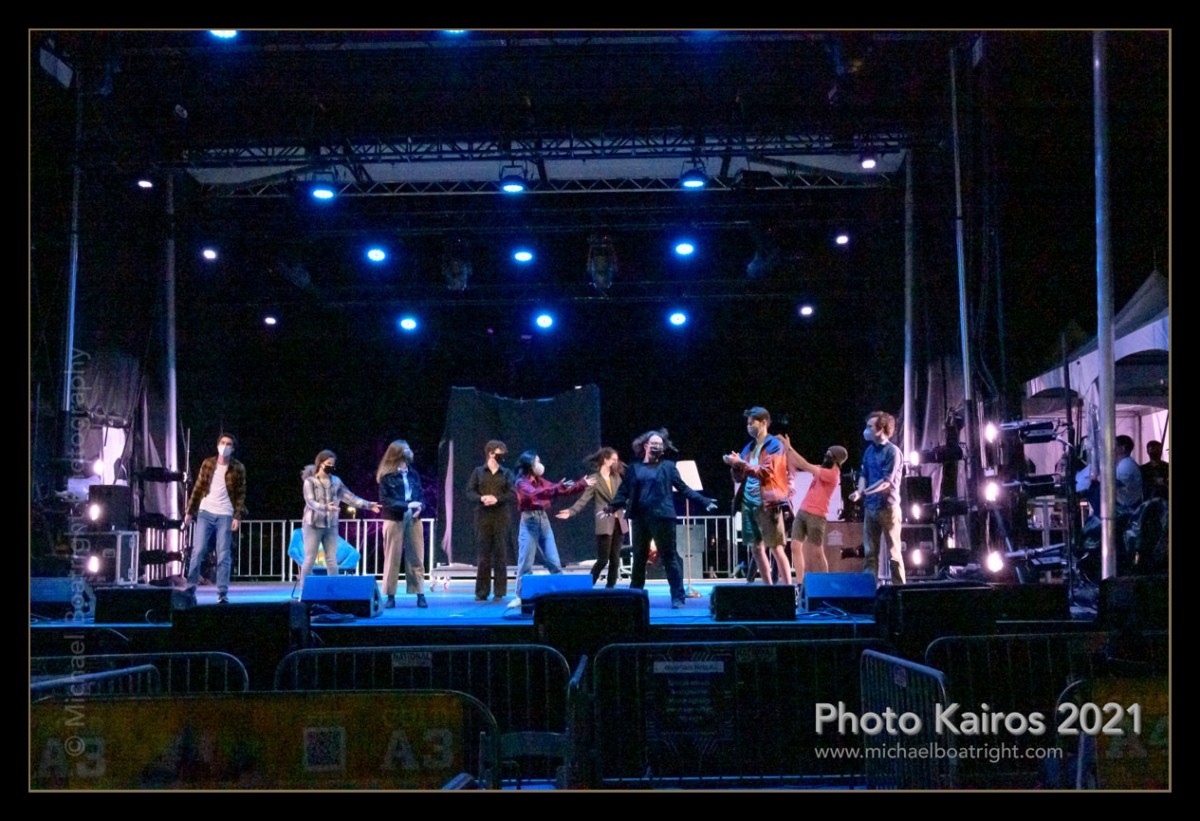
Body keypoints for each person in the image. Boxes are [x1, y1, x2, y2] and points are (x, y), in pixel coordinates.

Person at [607, 429, 717, 609]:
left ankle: (678, 597)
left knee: (669, 558)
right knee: (639, 559)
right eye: (654, 444)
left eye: (660, 444)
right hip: (640, 519)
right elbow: (624, 491)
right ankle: (635, 596)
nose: (657, 447)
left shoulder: (668, 467)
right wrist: (612, 507)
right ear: (646, 446)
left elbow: (683, 488)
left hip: (663, 518)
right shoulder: (634, 468)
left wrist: (704, 501)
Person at [508, 451, 595, 610]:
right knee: (526, 562)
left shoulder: (540, 481)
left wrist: (581, 483)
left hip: (543, 520)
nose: (540, 465)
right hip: (529, 521)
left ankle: (560, 596)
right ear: (529, 465)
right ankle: (520, 596)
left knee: (554, 561)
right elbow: (536, 494)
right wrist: (558, 487)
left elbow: (558, 488)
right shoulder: (521, 482)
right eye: (537, 461)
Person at [723, 407, 792, 587]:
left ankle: (788, 590)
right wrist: (735, 465)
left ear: (763, 423)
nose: (748, 426)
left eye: (751, 423)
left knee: (776, 547)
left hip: (768, 503)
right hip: (748, 502)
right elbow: (739, 478)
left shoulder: (774, 445)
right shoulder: (749, 447)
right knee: (756, 548)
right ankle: (768, 589)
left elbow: (767, 473)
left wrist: (741, 463)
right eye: (747, 423)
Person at [298, 450, 380, 589]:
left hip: (331, 525)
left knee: (332, 559)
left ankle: (334, 590)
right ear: (320, 463)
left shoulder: (336, 481)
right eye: (328, 463)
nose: (331, 466)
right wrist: (325, 507)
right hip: (313, 525)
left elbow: (350, 497)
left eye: (333, 464)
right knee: (309, 559)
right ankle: (304, 590)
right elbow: (310, 501)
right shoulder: (309, 482)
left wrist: (368, 505)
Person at [183, 433, 247, 604]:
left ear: (233, 448)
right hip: (206, 512)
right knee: (198, 551)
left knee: (223, 554)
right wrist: (189, 512)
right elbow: (198, 488)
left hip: (225, 513)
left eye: (229, 444)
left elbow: (241, 495)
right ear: (218, 445)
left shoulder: (238, 468)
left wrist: (237, 517)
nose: (225, 446)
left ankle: (222, 592)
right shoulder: (208, 463)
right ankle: (190, 588)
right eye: (222, 443)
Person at [781, 436, 848, 593]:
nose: (826, 456)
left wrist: (789, 447)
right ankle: (800, 585)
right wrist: (787, 449)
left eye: (829, 454)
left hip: (817, 516)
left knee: (817, 552)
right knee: (795, 546)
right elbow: (800, 464)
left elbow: (805, 464)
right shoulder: (822, 469)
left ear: (836, 459)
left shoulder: (832, 474)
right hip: (802, 511)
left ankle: (825, 583)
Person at [557, 446, 629, 587]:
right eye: (613, 459)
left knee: (615, 559)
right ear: (605, 460)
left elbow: (623, 496)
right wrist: (571, 511)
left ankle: (610, 587)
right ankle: (588, 585)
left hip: (619, 521)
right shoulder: (594, 479)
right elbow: (583, 499)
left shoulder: (617, 477)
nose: (616, 462)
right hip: (604, 521)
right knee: (603, 560)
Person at [849, 411, 906, 586]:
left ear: (881, 429)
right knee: (870, 554)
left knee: (894, 553)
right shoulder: (869, 451)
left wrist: (863, 493)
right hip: (871, 508)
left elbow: (885, 482)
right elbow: (863, 474)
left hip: (888, 509)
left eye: (870, 427)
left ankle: (899, 591)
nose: (866, 430)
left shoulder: (893, 452)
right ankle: (870, 591)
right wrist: (859, 491)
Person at [376, 440, 427, 609]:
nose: (409, 451)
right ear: (397, 453)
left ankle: (420, 593)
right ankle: (390, 596)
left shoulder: (413, 474)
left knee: (416, 556)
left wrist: (420, 507)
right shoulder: (387, 476)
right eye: (405, 449)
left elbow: (421, 494)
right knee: (392, 557)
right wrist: (406, 505)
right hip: (394, 518)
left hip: (414, 517)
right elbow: (385, 500)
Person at [465, 440, 516, 602]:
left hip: (501, 516)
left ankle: (499, 592)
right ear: (491, 453)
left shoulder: (506, 473)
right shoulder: (478, 472)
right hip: (482, 516)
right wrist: (482, 498)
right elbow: (470, 491)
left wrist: (497, 499)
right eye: (500, 452)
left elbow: (513, 493)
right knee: (483, 555)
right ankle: (482, 591)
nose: (503, 455)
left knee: (501, 554)